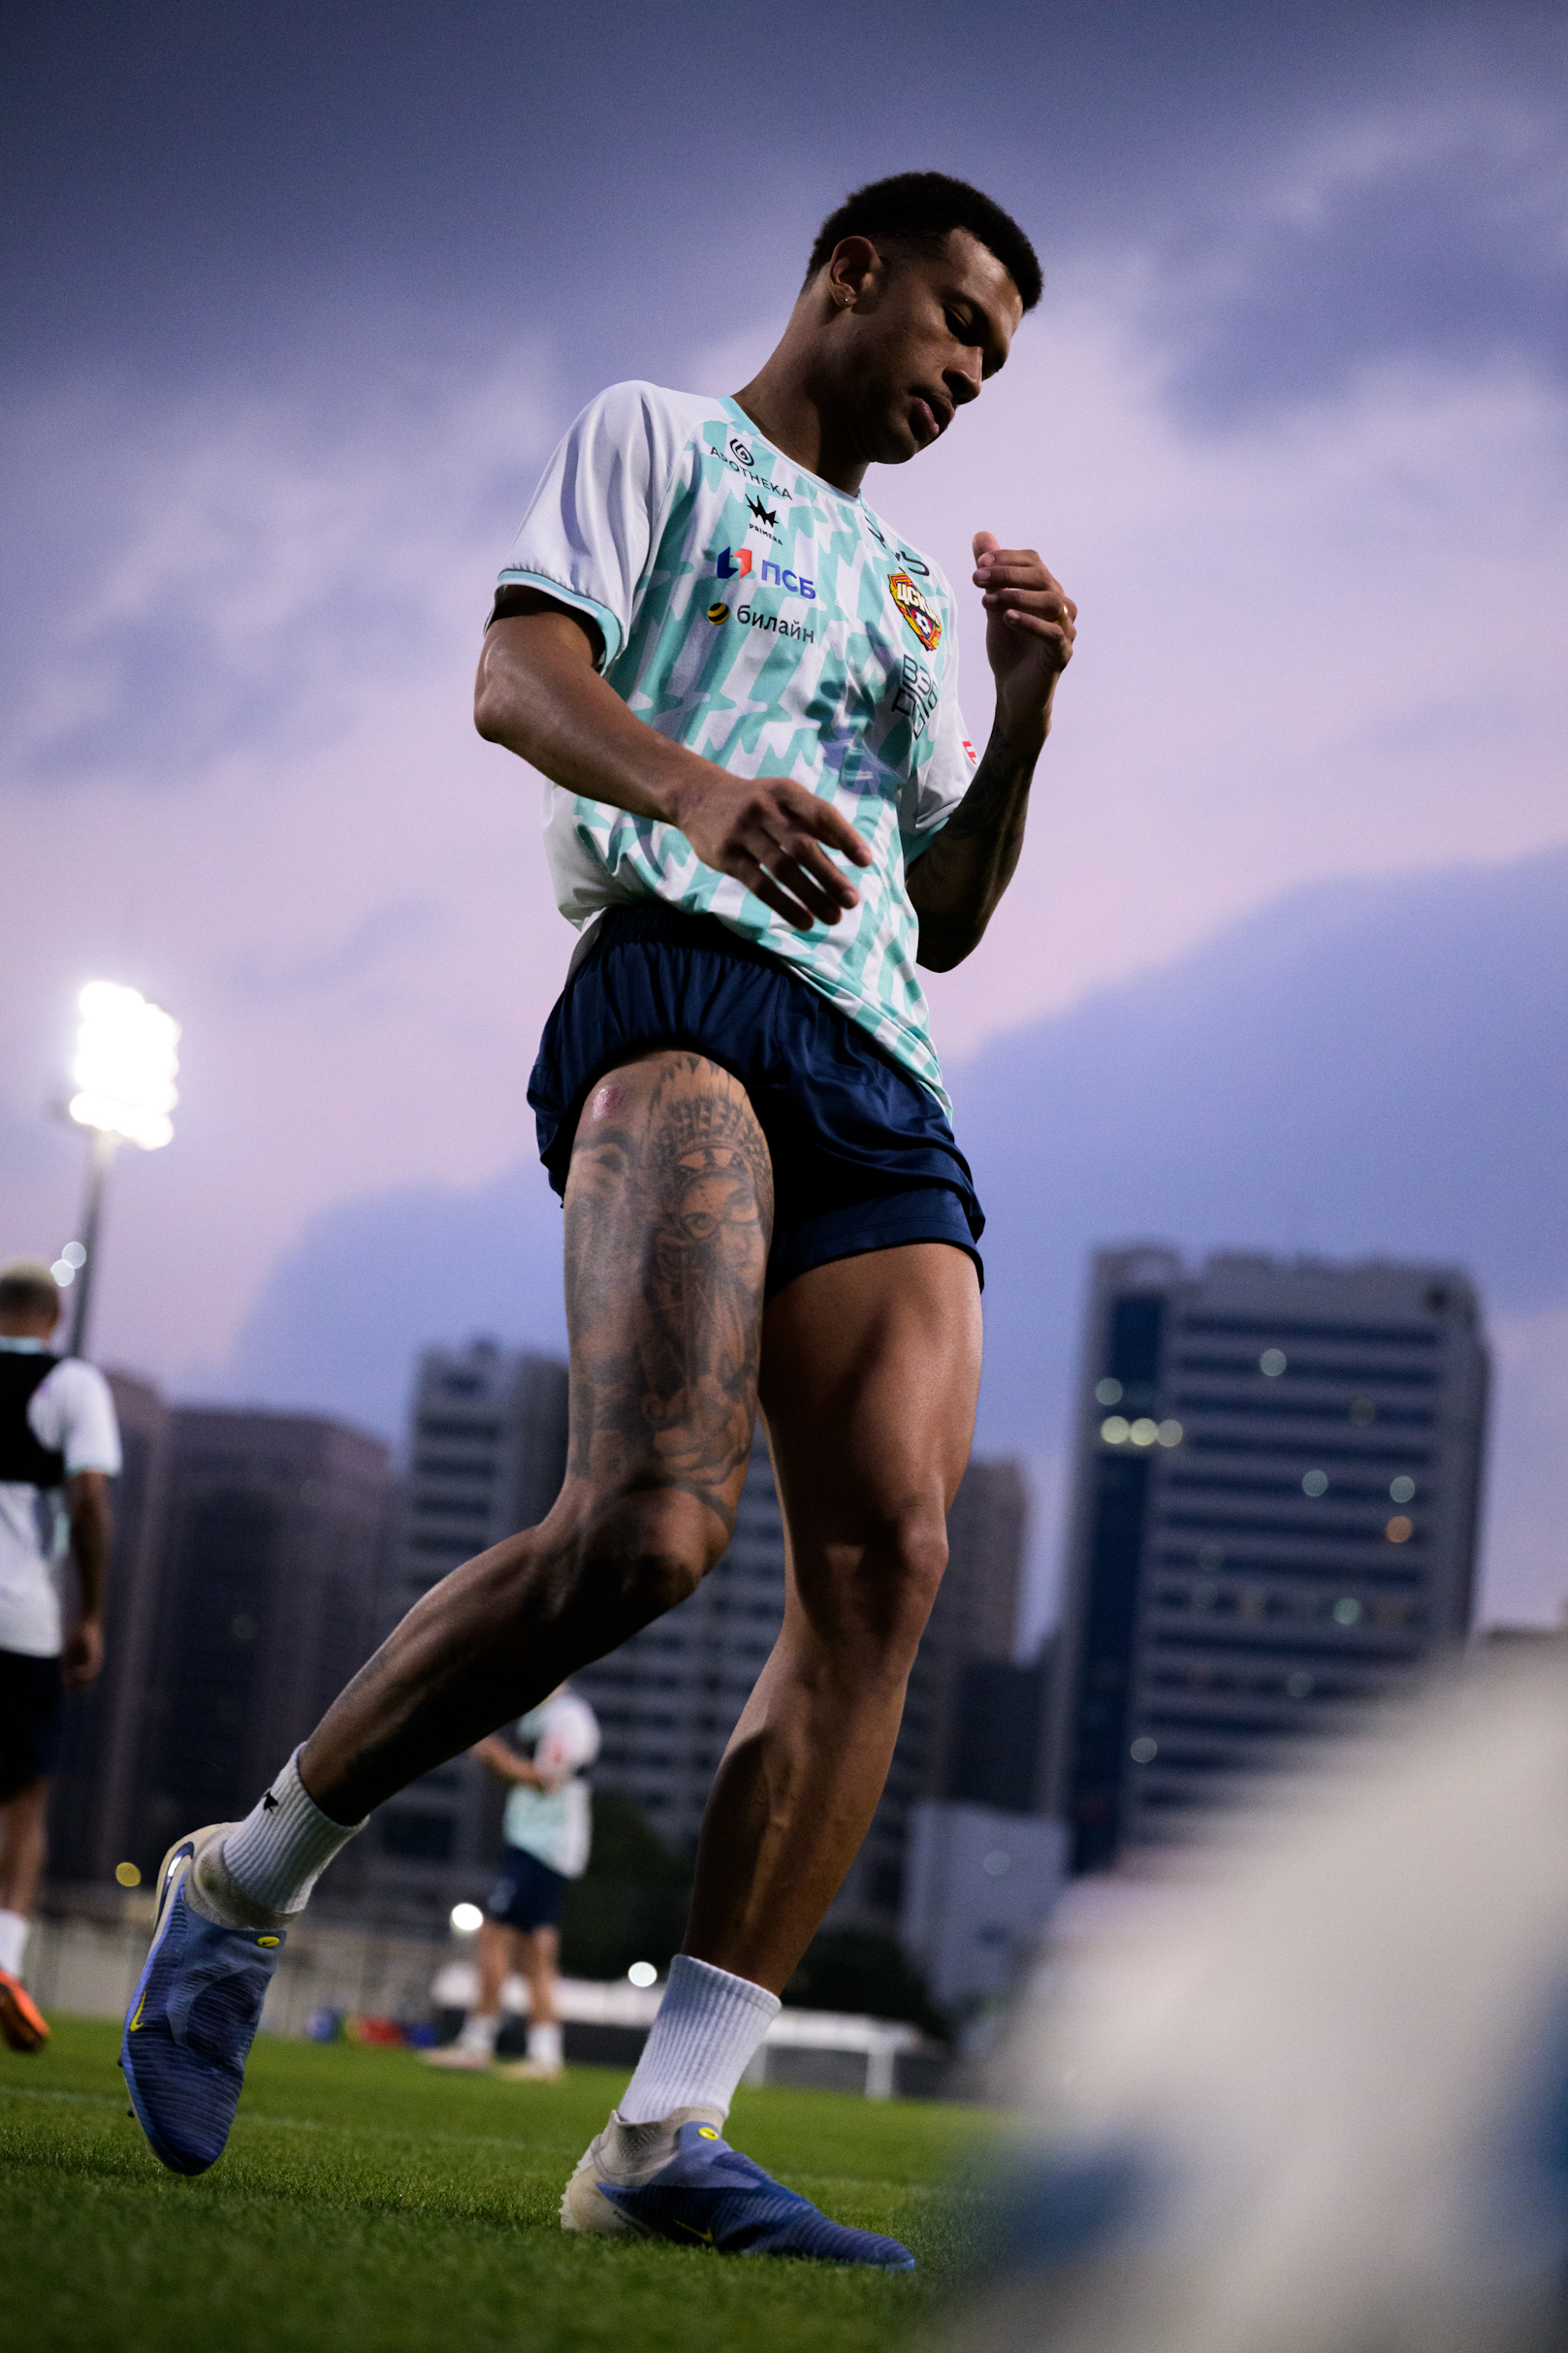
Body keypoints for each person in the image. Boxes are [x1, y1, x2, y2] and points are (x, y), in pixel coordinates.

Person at [121, 171, 1076, 2264]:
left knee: (892, 1560)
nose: (967, 376)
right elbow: (512, 676)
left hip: (878, 1063)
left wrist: (1022, 707)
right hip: (676, 980)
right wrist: (695, 792)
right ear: (850, 273)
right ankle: (243, 1881)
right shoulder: (657, 437)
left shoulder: (913, 600)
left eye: (998, 362)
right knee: (648, 1528)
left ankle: (664, 2130)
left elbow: (944, 915)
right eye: (956, 322)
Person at [0, 1258, 118, 2052]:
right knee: (24, 1796)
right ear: (55, 1316)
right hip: (21, 1619)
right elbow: (88, 1498)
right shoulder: (71, 1384)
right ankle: (4, 1959)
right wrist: (93, 1612)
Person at [424, 1682, 599, 2080]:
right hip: (540, 1842)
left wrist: (493, 1754)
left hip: (545, 1845)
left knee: (494, 1935)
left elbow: (546, 1778)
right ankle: (545, 2053)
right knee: (536, 1951)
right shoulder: (546, 1716)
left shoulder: (568, 1717)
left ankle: (477, 2041)